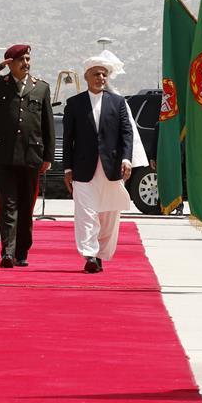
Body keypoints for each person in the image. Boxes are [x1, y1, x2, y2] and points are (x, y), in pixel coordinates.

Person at [0, 44, 54, 268]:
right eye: (21, 60)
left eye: (28, 59)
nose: (26, 64)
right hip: (3, 154)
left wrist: (48, 156)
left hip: (31, 155)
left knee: (26, 205)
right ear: (10, 63)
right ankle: (7, 252)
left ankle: (22, 251)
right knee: (7, 204)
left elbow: (47, 124)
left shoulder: (41, 88)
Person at [63, 50, 134, 273]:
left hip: (111, 167)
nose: (100, 78)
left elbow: (126, 133)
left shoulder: (118, 102)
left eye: (104, 74)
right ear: (87, 76)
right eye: (96, 74)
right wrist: (67, 168)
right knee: (86, 213)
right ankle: (89, 255)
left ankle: (102, 253)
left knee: (108, 214)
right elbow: (68, 139)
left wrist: (126, 159)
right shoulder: (74, 104)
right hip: (83, 168)